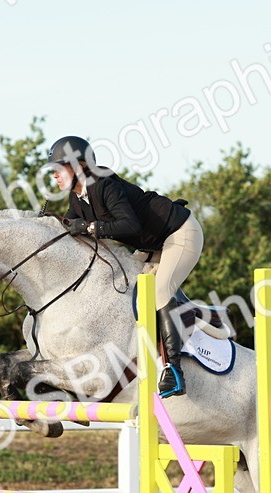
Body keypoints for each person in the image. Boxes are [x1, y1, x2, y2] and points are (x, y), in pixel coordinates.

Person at [46, 135, 203, 398]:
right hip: (152, 244)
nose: (54, 175)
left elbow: (131, 226)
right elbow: (69, 230)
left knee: (160, 291)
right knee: (124, 285)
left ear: (80, 166)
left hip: (180, 234)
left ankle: (174, 371)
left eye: (59, 168)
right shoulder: (78, 199)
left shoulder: (103, 184)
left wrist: (90, 227)